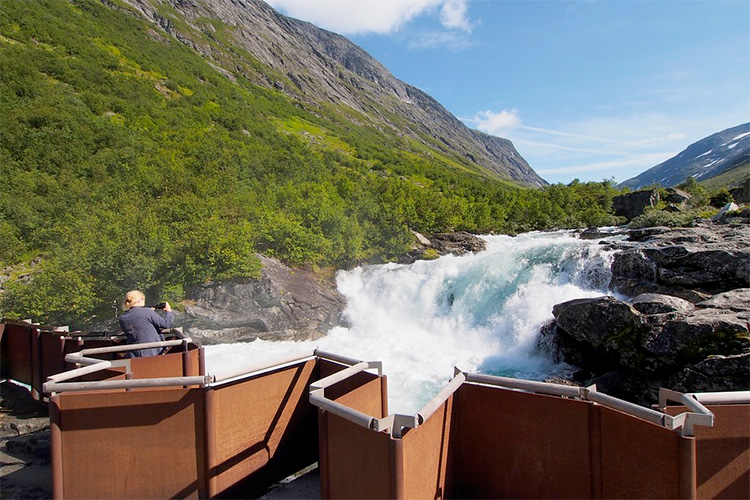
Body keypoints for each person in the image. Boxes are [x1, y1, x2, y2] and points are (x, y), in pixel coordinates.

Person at [118, 290, 174, 357]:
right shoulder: (147, 312)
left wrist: (149, 312)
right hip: (153, 352)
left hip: (134, 354)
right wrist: (169, 311)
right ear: (139, 300)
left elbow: (138, 321)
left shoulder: (122, 318)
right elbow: (165, 324)